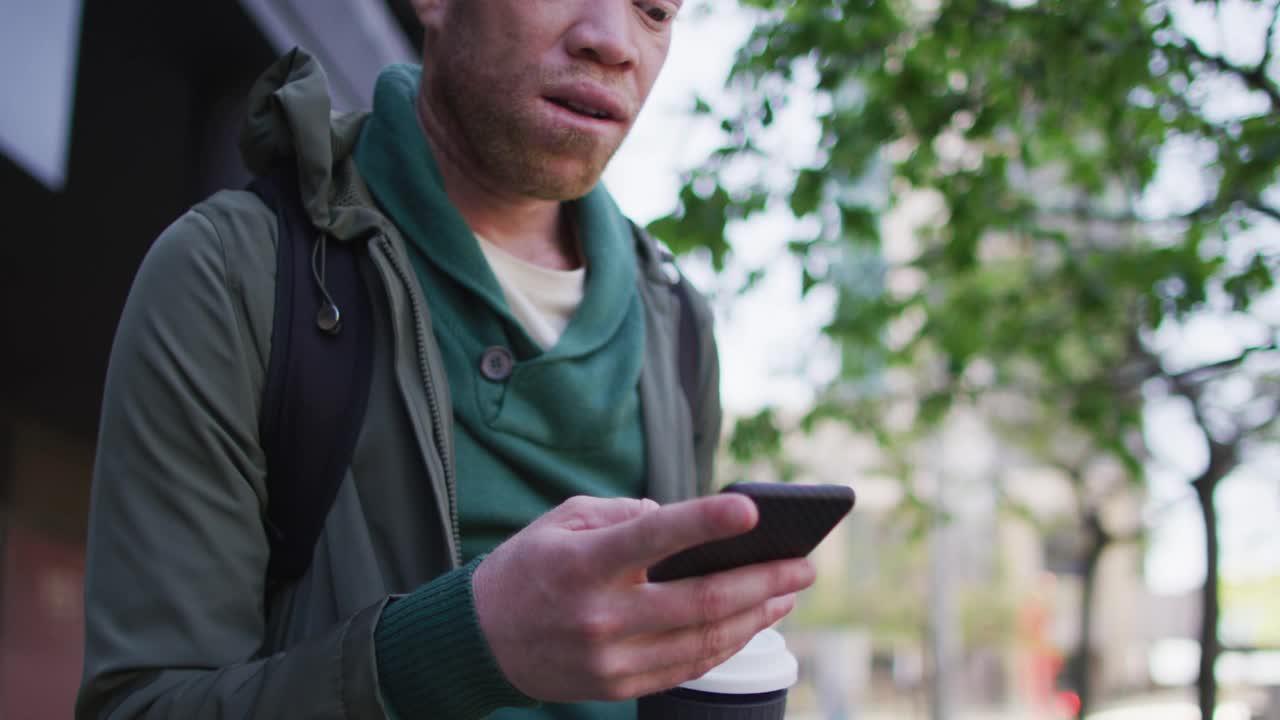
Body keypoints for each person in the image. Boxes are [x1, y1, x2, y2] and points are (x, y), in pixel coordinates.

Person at [76, 1, 816, 718]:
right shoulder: (231, 273)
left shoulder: (678, 326)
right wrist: (460, 648)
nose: (611, 40)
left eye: (655, 10)